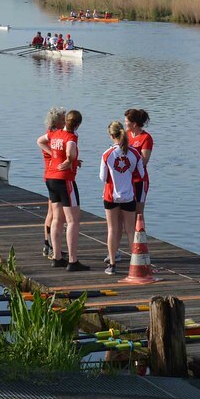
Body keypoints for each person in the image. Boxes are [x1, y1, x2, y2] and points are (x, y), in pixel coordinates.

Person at [37, 110, 89, 271]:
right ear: (78, 124)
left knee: (56, 219)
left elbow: (40, 141)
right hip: (65, 179)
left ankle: (57, 256)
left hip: (51, 179)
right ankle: (73, 261)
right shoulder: (71, 137)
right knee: (72, 220)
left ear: (65, 121)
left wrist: (55, 155)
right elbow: (70, 152)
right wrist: (69, 161)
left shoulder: (55, 133)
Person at [99, 121, 146, 275]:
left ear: (111, 135)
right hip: (128, 196)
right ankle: (136, 263)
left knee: (112, 229)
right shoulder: (135, 153)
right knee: (130, 230)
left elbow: (103, 178)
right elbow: (141, 174)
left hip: (111, 196)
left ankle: (112, 265)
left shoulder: (107, 154)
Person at [40, 107, 67, 259]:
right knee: (52, 213)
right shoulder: (52, 135)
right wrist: (54, 154)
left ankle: (51, 245)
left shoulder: (58, 135)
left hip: (54, 175)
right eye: (63, 119)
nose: (65, 121)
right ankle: (48, 245)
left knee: (55, 213)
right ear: (57, 121)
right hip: (52, 175)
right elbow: (40, 141)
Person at [125, 108, 154, 215]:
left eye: (127, 121)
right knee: (127, 211)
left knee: (138, 212)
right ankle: (129, 231)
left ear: (134, 124)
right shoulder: (125, 135)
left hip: (140, 180)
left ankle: (140, 231)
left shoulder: (146, 138)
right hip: (126, 179)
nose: (125, 123)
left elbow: (144, 161)